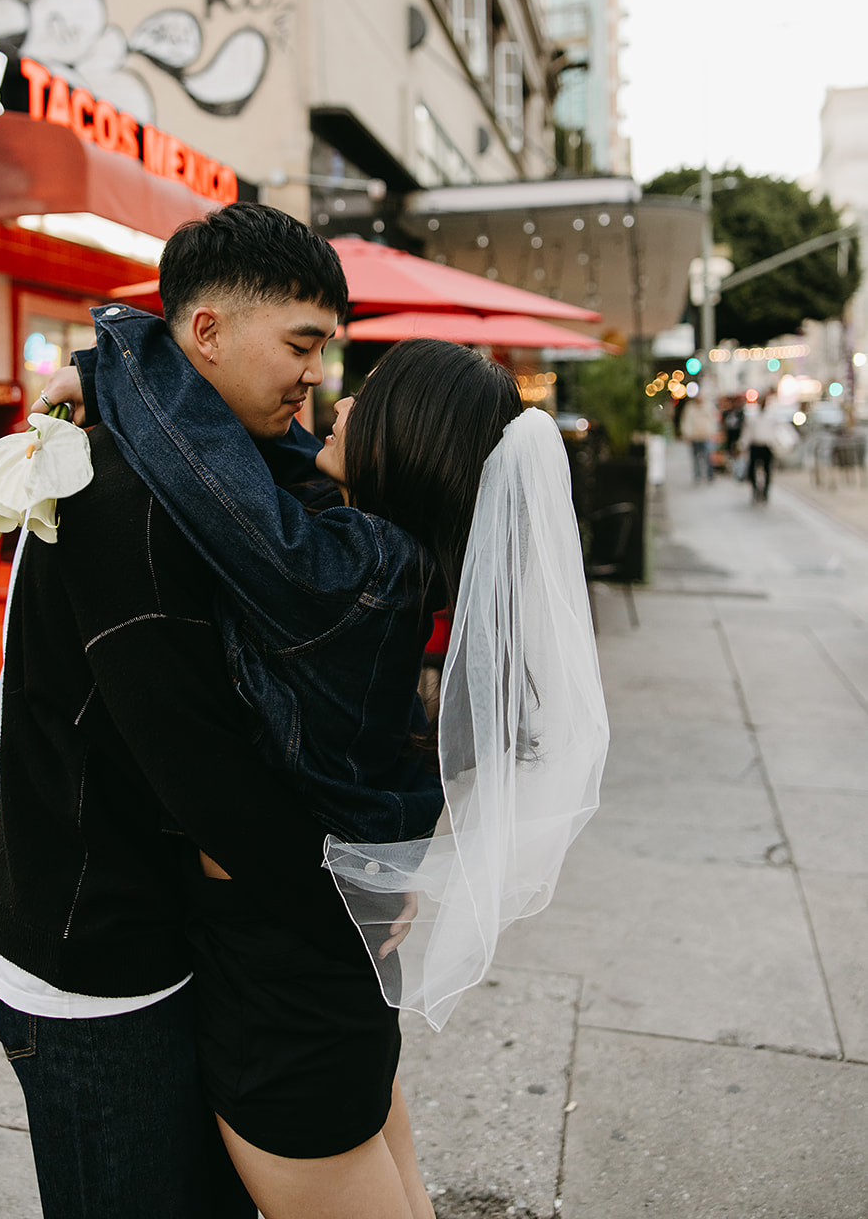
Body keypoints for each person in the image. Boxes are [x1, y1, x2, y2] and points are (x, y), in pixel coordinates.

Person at [45, 207, 608, 1218]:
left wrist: (120, 354)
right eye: (311, 353)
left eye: (363, 390)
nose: (331, 398)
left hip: (286, 972)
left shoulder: (360, 572)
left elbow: (213, 489)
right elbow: (247, 477)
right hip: (321, 953)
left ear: (409, 439)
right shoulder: (388, 556)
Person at [0, 205, 436, 1217]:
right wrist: (355, 908)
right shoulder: (124, 502)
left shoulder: (203, 467)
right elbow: (210, 776)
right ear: (206, 333)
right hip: (99, 964)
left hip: (173, 936)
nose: (314, 376)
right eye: (299, 344)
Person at [742, 391, 780, 503]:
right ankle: (755, 490)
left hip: (767, 446)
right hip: (755, 445)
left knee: (767, 470)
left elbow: (777, 431)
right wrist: (743, 444)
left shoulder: (772, 415)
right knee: (753, 469)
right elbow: (747, 431)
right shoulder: (752, 415)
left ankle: (765, 492)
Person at [681, 392, 718, 483]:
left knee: (708, 456)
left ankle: (709, 474)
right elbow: (686, 421)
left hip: (706, 435)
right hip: (695, 436)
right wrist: (687, 434)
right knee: (696, 457)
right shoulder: (690, 408)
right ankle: (697, 476)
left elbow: (713, 420)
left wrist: (712, 432)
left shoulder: (708, 406)